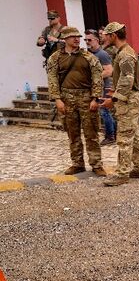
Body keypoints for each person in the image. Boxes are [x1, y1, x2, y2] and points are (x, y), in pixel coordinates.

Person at [47, 26, 105, 176]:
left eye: (78, 37)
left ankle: (96, 164)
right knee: (72, 134)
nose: (77, 39)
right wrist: (57, 99)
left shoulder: (89, 57)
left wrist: (95, 98)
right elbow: (52, 78)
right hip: (66, 99)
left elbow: (97, 78)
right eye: (73, 37)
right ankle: (77, 163)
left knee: (91, 133)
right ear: (65, 39)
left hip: (86, 98)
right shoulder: (55, 58)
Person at [100, 22, 139, 186]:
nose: (104, 38)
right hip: (127, 98)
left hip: (128, 100)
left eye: (106, 35)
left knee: (124, 138)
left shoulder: (126, 55)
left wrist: (113, 99)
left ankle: (122, 173)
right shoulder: (121, 52)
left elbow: (127, 80)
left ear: (114, 36)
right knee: (133, 134)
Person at [84, 29, 116, 145]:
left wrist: (94, 78)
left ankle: (110, 136)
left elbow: (109, 71)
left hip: (104, 87)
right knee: (105, 112)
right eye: (85, 40)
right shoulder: (88, 54)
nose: (87, 42)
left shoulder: (102, 54)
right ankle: (114, 133)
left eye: (90, 40)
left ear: (97, 40)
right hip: (94, 87)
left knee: (104, 111)